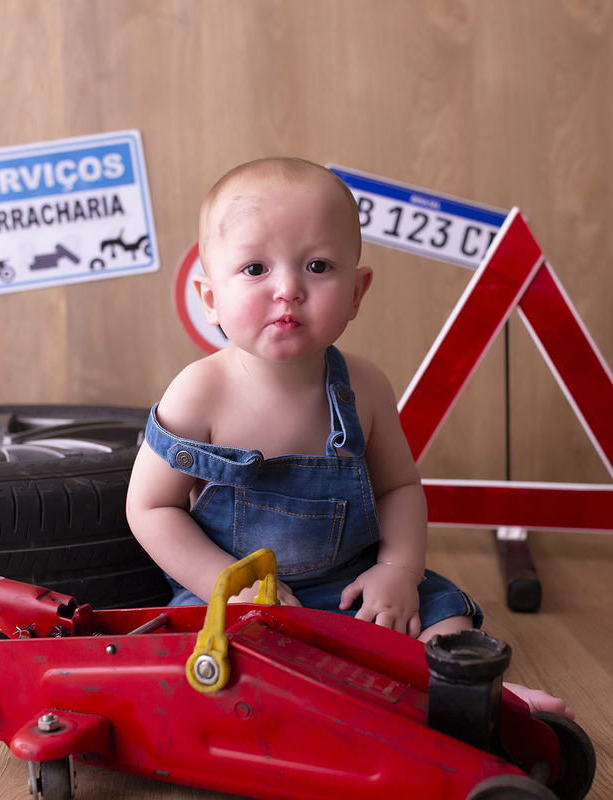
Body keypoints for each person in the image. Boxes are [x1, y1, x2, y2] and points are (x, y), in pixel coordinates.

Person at [126, 157, 570, 715]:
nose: (287, 289)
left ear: (357, 293)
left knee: (440, 611)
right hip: (232, 589)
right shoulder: (198, 393)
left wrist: (397, 571)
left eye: (317, 265)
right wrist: (224, 582)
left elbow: (399, 489)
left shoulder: (365, 386)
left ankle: (477, 697)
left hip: (349, 587)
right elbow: (149, 508)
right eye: (255, 269)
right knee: (208, 658)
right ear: (209, 297)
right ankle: (353, 701)